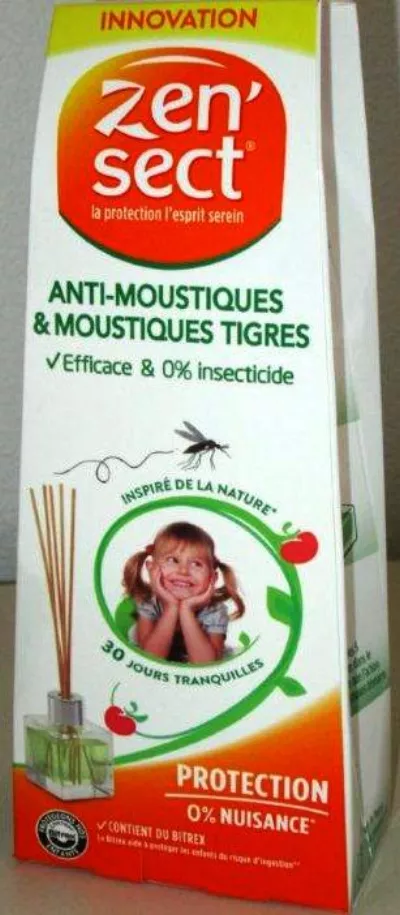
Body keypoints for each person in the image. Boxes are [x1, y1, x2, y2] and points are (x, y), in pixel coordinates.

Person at [123, 521, 245, 664]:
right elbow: (151, 659)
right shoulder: (149, 603)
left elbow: (206, 665)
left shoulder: (214, 611)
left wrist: (186, 610)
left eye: (196, 564)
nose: (183, 571)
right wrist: (172, 607)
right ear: (151, 568)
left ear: (212, 577)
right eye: (173, 560)